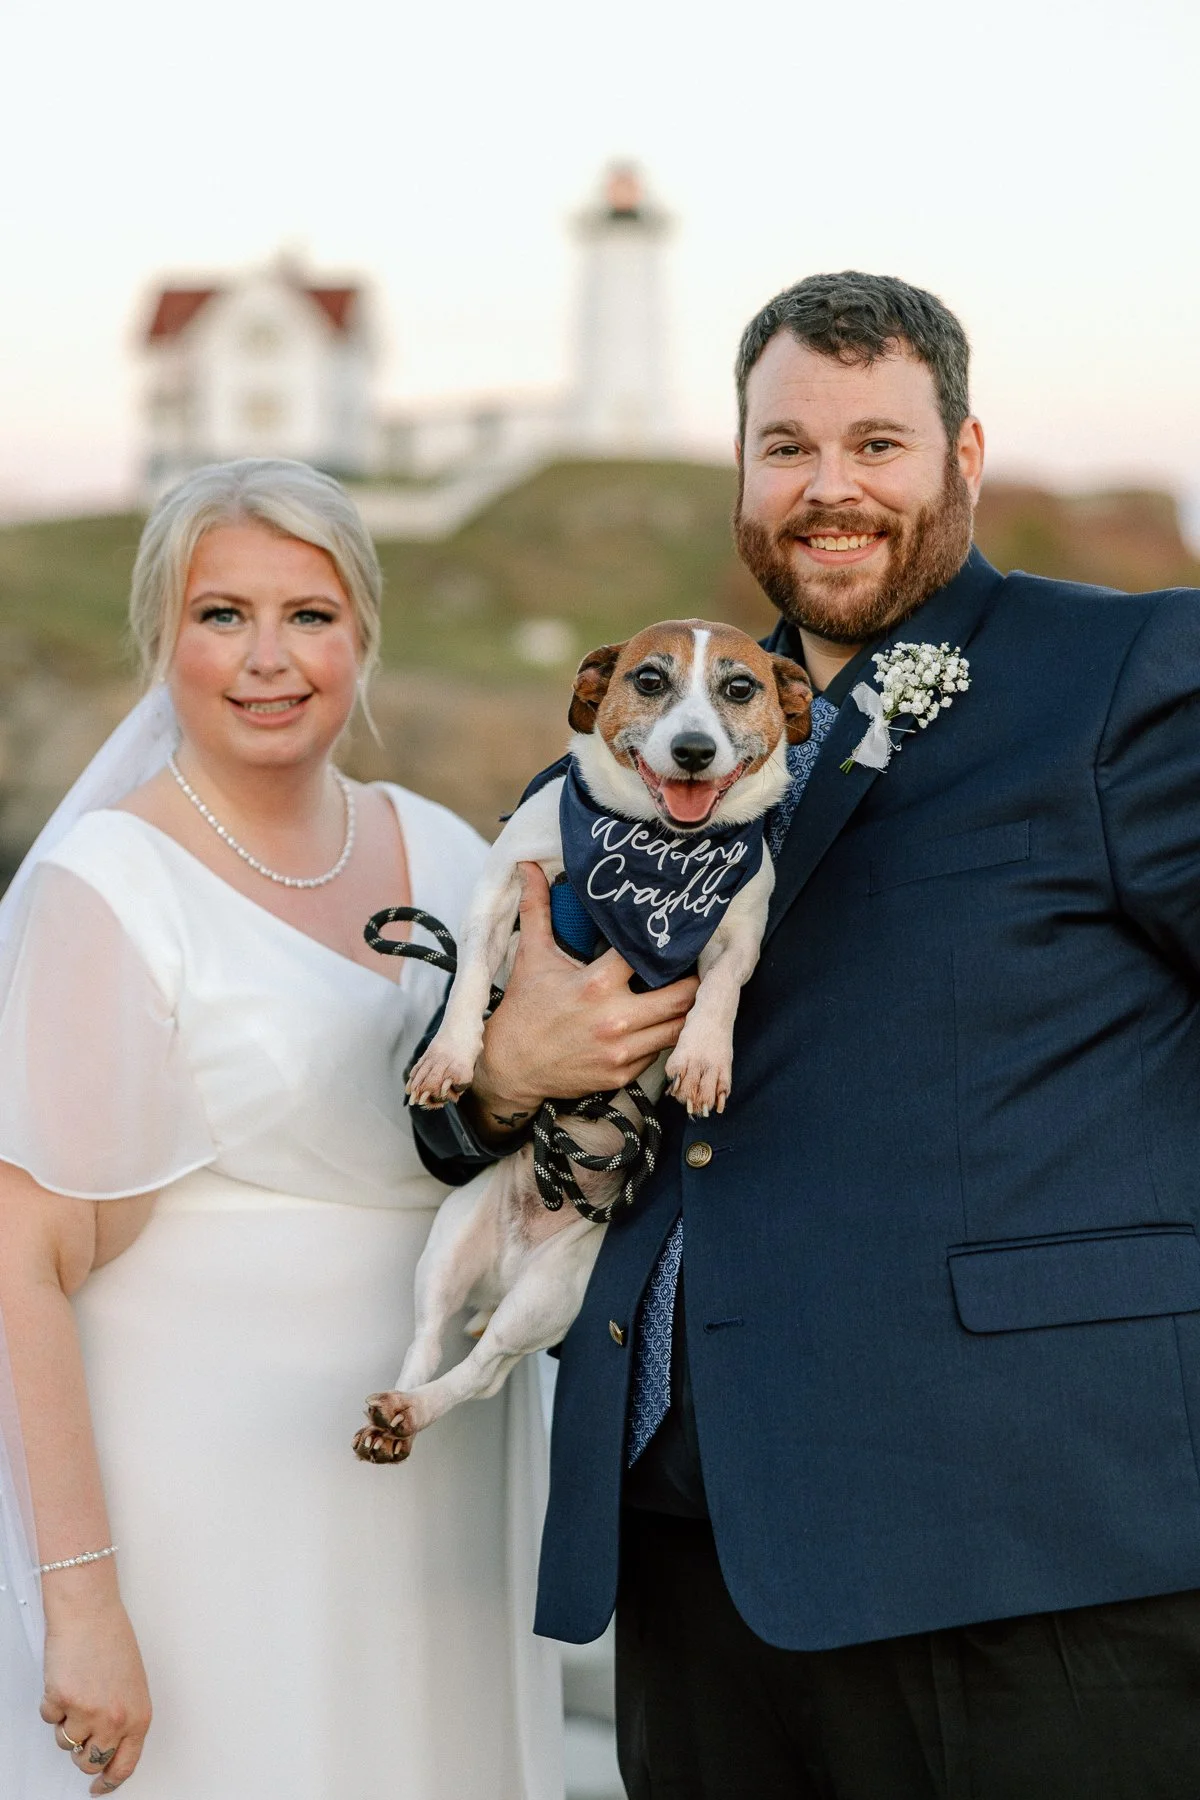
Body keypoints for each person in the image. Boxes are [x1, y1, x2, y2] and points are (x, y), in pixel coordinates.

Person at [412, 274, 1200, 1798]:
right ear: (743, 475)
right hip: (699, 1553)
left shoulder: (1126, 679)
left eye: (877, 445)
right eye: (786, 448)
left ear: (964, 456)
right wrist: (507, 1073)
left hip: (1034, 1543)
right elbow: (444, 1108)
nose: (829, 489)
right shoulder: (638, 746)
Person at [0, 458, 562, 1799]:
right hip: (203, 1507)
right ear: (163, 639)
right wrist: (80, 1601)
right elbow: (25, 1260)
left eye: (309, 615)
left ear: (362, 634)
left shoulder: (447, 855)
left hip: (436, 1503)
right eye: (221, 616)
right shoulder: (111, 884)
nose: (269, 659)